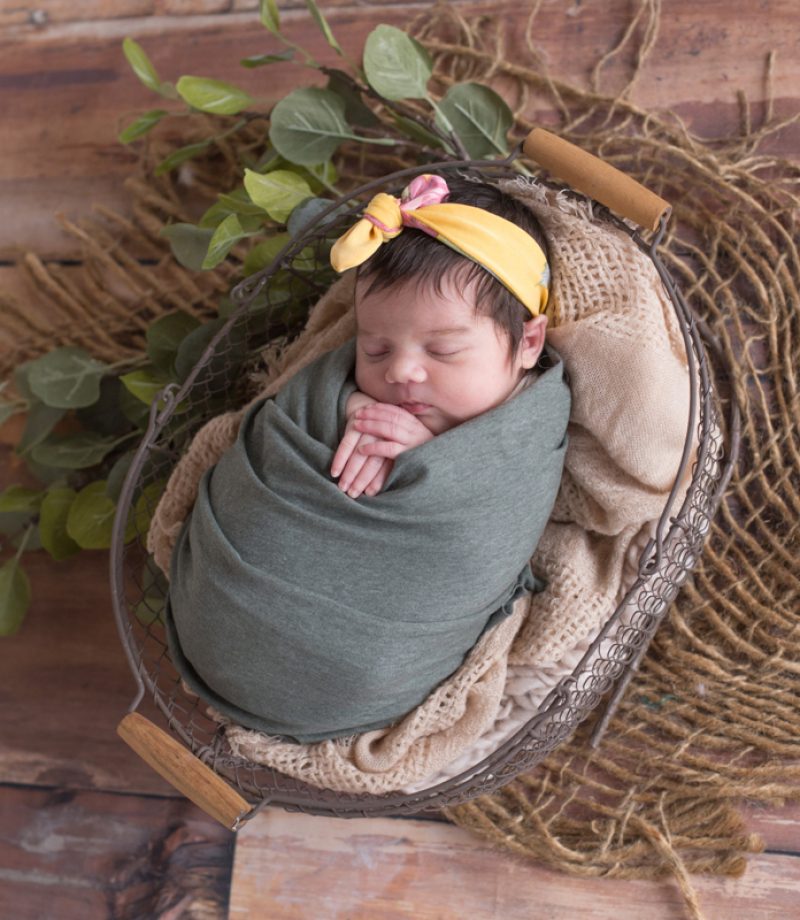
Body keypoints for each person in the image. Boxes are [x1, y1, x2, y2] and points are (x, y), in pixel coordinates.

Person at [329, 172, 553, 498]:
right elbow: (301, 396)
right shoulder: (355, 392)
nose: (399, 371)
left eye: (442, 350)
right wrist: (354, 408)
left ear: (528, 343)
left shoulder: (534, 423)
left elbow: (497, 509)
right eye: (375, 350)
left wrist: (430, 459)